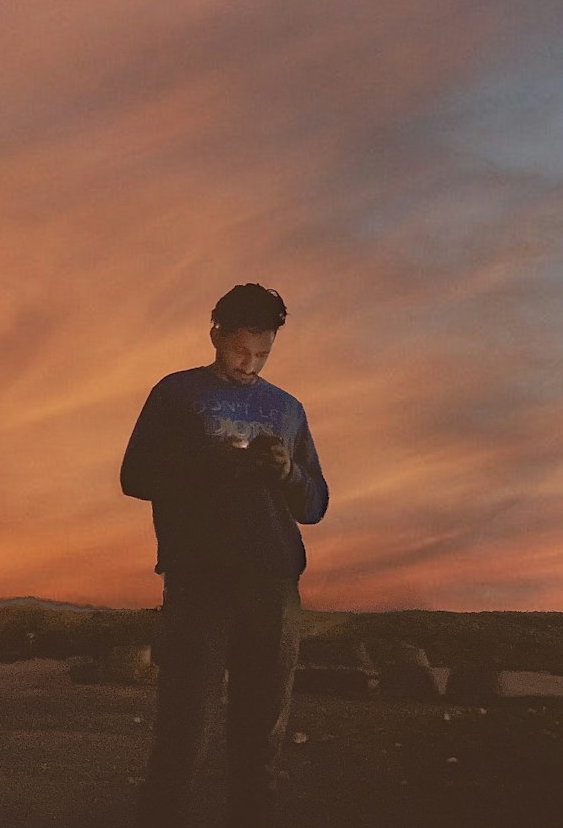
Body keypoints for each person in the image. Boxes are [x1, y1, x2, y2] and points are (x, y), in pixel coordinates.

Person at [120, 282, 329, 828]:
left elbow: (316, 504)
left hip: (275, 588)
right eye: (240, 349)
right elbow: (134, 476)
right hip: (199, 583)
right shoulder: (176, 394)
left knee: (260, 743)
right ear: (215, 333)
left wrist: (286, 472)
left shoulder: (288, 409)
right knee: (183, 738)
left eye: (263, 353)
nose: (250, 363)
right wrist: (201, 460)